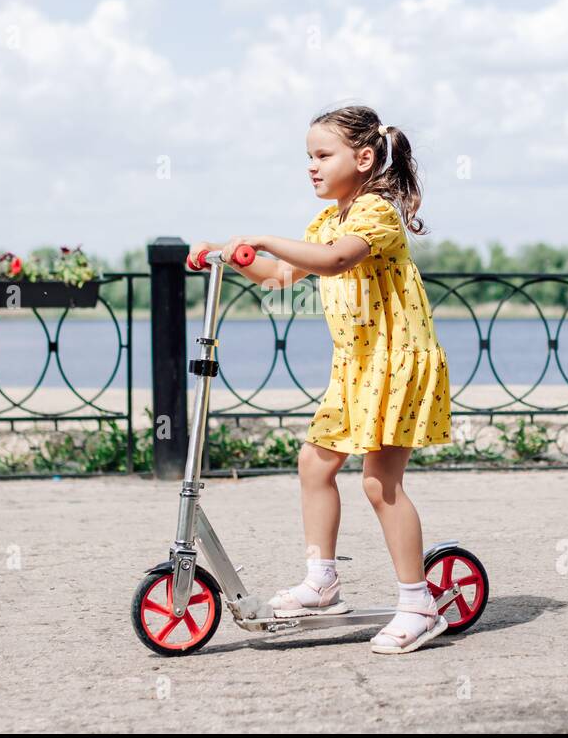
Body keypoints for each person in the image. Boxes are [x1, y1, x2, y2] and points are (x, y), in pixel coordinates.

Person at [189, 104, 453, 654]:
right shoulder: (326, 221)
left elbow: (334, 262)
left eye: (322, 155)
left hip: (396, 360)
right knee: (315, 462)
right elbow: (282, 275)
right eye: (307, 156)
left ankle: (418, 604)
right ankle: (322, 581)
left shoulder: (377, 212)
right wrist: (225, 256)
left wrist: (262, 237)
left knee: (380, 485)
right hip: (355, 367)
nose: (311, 166)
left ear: (363, 158)